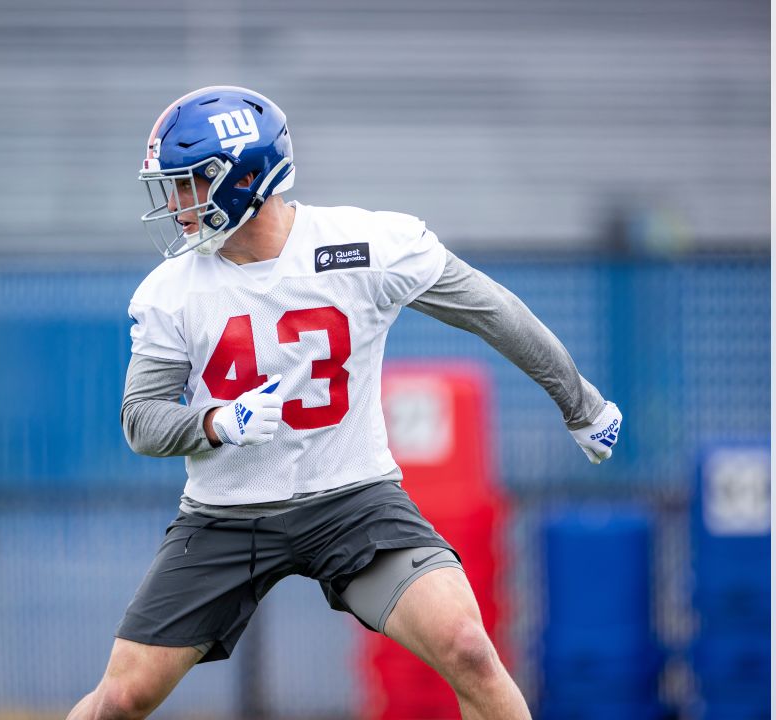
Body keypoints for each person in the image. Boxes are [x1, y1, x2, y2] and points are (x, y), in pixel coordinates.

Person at [68, 86, 623, 720]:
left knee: (468, 647)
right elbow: (141, 420)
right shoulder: (171, 291)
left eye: (191, 182)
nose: (174, 203)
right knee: (120, 698)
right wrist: (219, 420)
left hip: (354, 500)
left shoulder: (364, 245)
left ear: (246, 178)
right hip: (224, 516)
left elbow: (491, 311)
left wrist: (580, 402)